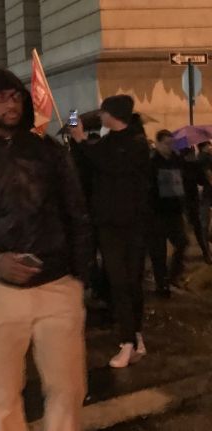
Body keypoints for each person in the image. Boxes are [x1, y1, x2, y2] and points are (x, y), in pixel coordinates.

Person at [0, 69, 91, 431]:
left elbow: (77, 214)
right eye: (1, 97)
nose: (11, 104)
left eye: (16, 96)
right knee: (3, 394)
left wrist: (79, 278)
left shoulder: (49, 152)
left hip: (56, 284)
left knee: (68, 387)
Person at [71, 94, 150, 369]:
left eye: (103, 112)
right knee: (120, 282)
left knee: (128, 282)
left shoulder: (135, 143)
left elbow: (109, 162)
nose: (100, 116)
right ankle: (133, 337)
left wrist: (82, 140)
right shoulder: (108, 144)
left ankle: (129, 340)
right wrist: (76, 138)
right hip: (110, 224)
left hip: (130, 224)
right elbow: (90, 164)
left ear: (112, 114)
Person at [146, 130, 195, 298]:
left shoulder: (176, 161)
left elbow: (186, 181)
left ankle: (173, 275)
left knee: (182, 243)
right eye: (166, 143)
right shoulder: (151, 163)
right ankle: (162, 285)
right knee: (158, 252)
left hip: (174, 212)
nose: (169, 147)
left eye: (171, 143)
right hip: (157, 213)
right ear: (158, 143)